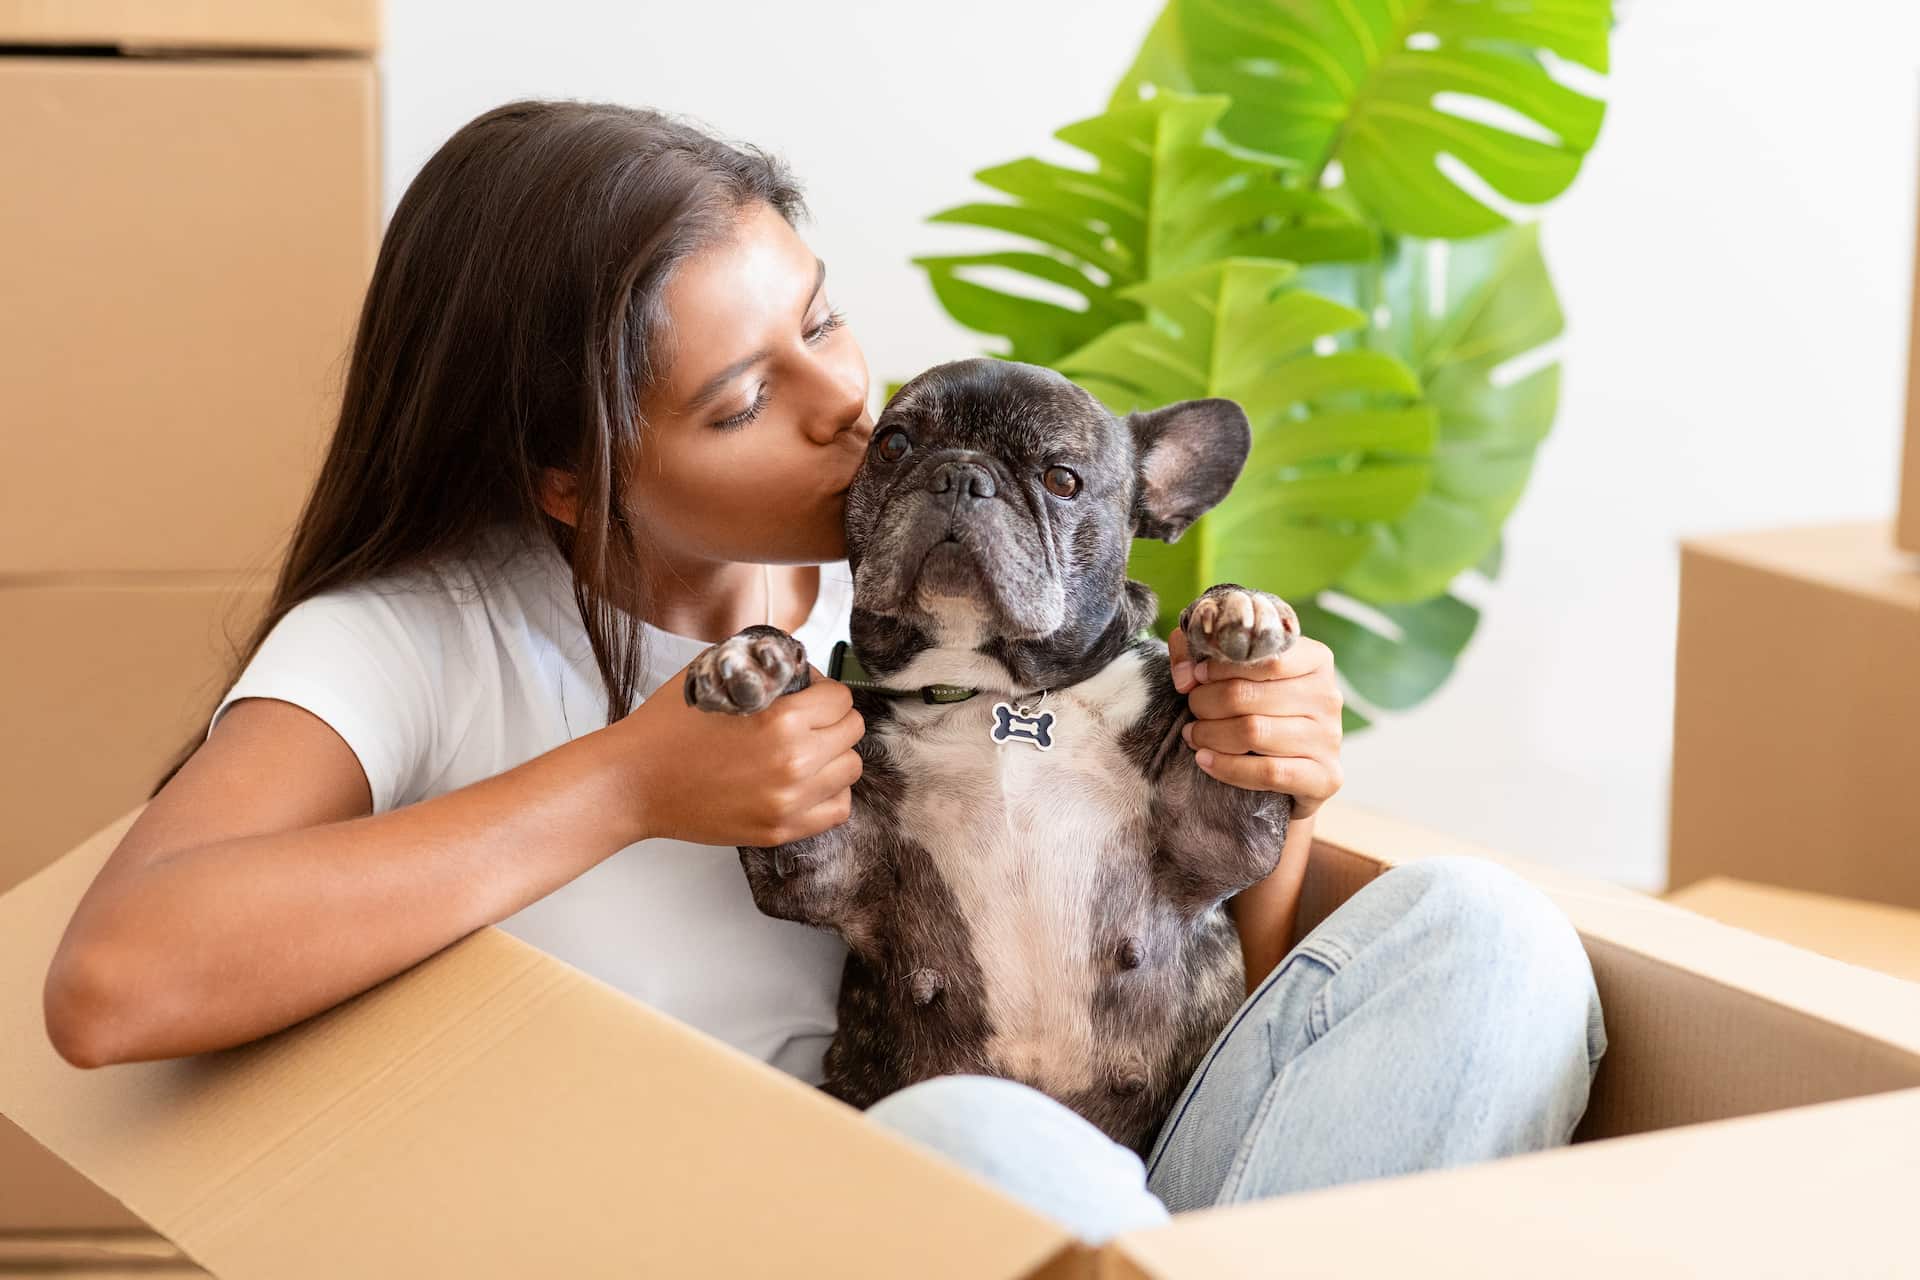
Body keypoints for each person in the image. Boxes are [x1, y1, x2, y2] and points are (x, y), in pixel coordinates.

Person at [38, 99, 1605, 1244]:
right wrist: (629, 785)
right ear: (566, 478)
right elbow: (115, 983)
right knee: (998, 1155)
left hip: (1122, 1199)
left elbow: (1165, 965)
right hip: (781, 1228)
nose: (844, 408)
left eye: (825, 320)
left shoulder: (928, 575)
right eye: (740, 402)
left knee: (1497, 942)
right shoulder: (422, 637)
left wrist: (1269, 785)